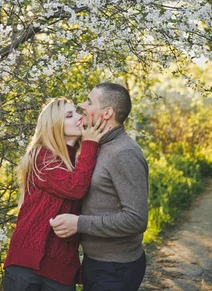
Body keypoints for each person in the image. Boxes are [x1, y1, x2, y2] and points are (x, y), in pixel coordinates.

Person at [50, 83, 149, 291]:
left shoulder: (124, 153)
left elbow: (136, 219)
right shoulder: (96, 145)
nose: (82, 105)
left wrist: (79, 224)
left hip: (116, 268)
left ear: (107, 113)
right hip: (94, 262)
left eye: (88, 101)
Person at [3, 97, 109, 291]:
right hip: (26, 266)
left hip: (61, 267)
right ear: (54, 125)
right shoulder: (40, 155)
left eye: (77, 112)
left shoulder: (83, 158)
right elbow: (74, 188)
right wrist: (90, 144)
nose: (78, 117)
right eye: (69, 115)